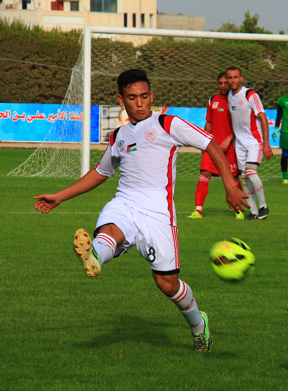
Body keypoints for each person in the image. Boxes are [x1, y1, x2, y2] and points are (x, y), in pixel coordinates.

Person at [33, 69, 248, 351]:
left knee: (167, 285)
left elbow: (209, 144)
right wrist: (59, 196)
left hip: (159, 213)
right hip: (125, 202)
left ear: (152, 96)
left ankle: (198, 325)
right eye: (132, 98)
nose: (140, 103)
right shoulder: (118, 136)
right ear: (121, 99)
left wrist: (230, 186)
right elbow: (100, 172)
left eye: (144, 96)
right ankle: (95, 253)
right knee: (111, 228)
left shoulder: (167, 123)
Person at [190, 72, 245, 219]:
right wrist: (204, 142)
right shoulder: (213, 99)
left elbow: (242, 124)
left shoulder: (237, 101)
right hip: (212, 145)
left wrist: (229, 138)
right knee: (204, 175)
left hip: (230, 147)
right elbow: (208, 122)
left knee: (233, 179)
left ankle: (239, 212)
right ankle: (198, 211)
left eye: (225, 83)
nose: (222, 86)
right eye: (220, 83)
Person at [226, 66, 273, 220]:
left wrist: (266, 144)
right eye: (230, 78)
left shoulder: (250, 95)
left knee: (251, 172)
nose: (233, 80)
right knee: (245, 177)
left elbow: (263, 118)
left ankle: (264, 207)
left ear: (241, 78)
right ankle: (253, 212)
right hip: (239, 143)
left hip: (254, 141)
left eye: (235, 77)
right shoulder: (229, 97)